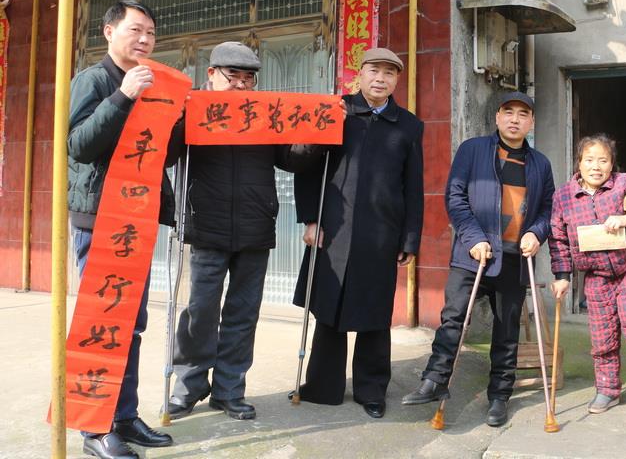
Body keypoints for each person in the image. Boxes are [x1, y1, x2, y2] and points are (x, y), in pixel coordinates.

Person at [167, 42, 318, 422]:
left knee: (243, 313)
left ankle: (229, 390)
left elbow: (292, 159)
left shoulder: (263, 113)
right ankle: (189, 386)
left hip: (255, 227)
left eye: (247, 78)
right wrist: (177, 120)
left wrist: (317, 132)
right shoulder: (193, 108)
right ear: (211, 75)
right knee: (200, 312)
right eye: (232, 75)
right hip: (206, 227)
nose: (240, 84)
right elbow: (166, 155)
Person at [402, 92, 554, 427]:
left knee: (507, 330)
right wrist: (474, 238)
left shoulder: (540, 164)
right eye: (508, 112)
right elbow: (455, 197)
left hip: (515, 258)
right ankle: (435, 380)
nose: (515, 119)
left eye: (523, 114)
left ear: (531, 122)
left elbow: (547, 209)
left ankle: (499, 395)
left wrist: (536, 233)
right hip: (473, 255)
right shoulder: (472, 150)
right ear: (497, 117)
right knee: (454, 317)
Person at [68, 0, 175, 459]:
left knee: (130, 324)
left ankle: (124, 416)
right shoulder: (94, 80)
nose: (145, 39)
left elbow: (160, 154)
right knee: (102, 322)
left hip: (136, 217)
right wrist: (122, 96)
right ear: (109, 31)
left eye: (151, 32)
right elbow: (79, 145)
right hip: (100, 219)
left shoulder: (154, 83)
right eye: (136, 30)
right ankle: (96, 429)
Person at [292, 47, 424, 419]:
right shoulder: (337, 111)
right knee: (329, 308)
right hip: (333, 229)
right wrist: (310, 219)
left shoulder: (409, 126)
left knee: (375, 313)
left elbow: (413, 187)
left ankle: (372, 390)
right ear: (360, 74)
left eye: (389, 73)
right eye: (374, 71)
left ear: (396, 80)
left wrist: (409, 238)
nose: (381, 79)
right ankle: (322, 386)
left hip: (382, 234)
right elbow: (308, 170)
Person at [548, 134, 626, 414]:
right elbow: (557, 239)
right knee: (602, 335)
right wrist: (562, 275)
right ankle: (607, 389)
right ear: (579, 163)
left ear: (612, 163)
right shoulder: (564, 196)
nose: (596, 166)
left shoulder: (623, 183)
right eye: (589, 160)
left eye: (603, 160)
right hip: (595, 276)